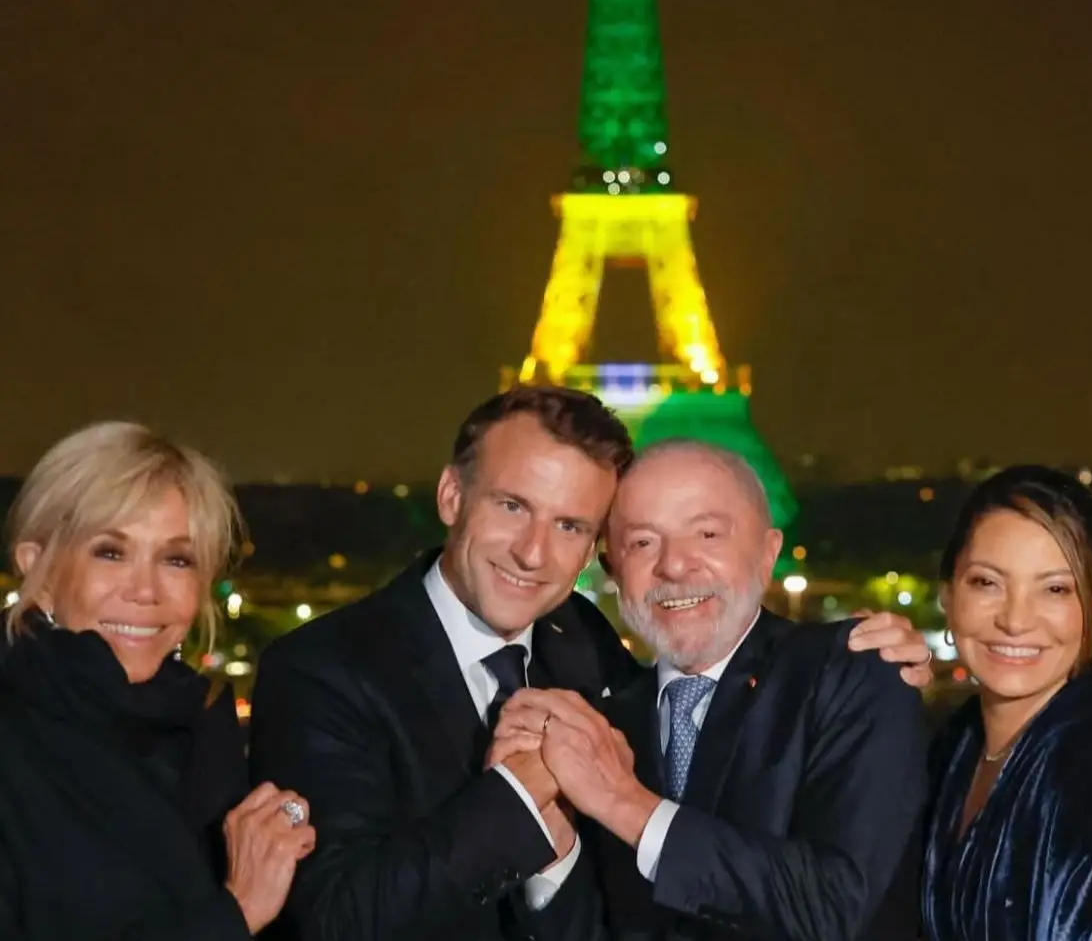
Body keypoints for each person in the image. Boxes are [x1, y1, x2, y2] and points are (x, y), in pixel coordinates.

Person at [249, 386, 932, 941]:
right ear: (451, 497)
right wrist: (523, 804)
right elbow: (333, 916)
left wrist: (608, 813)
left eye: (571, 525)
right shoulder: (320, 669)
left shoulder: (584, 649)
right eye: (513, 506)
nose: (534, 553)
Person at [494, 439, 929, 941]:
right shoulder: (604, 719)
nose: (675, 566)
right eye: (642, 543)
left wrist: (625, 803)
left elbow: (834, 906)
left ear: (768, 554)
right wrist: (554, 849)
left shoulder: (852, 675)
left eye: (706, 534)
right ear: (614, 572)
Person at [0, 422, 316, 941]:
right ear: (40, 569)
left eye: (176, 559)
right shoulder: (14, 737)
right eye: (110, 552)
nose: (145, 590)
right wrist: (237, 912)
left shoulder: (205, 732)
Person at [921, 465, 1092, 941]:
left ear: (1090, 607)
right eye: (986, 583)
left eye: (1054, 589)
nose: (1015, 620)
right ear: (948, 594)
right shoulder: (957, 742)